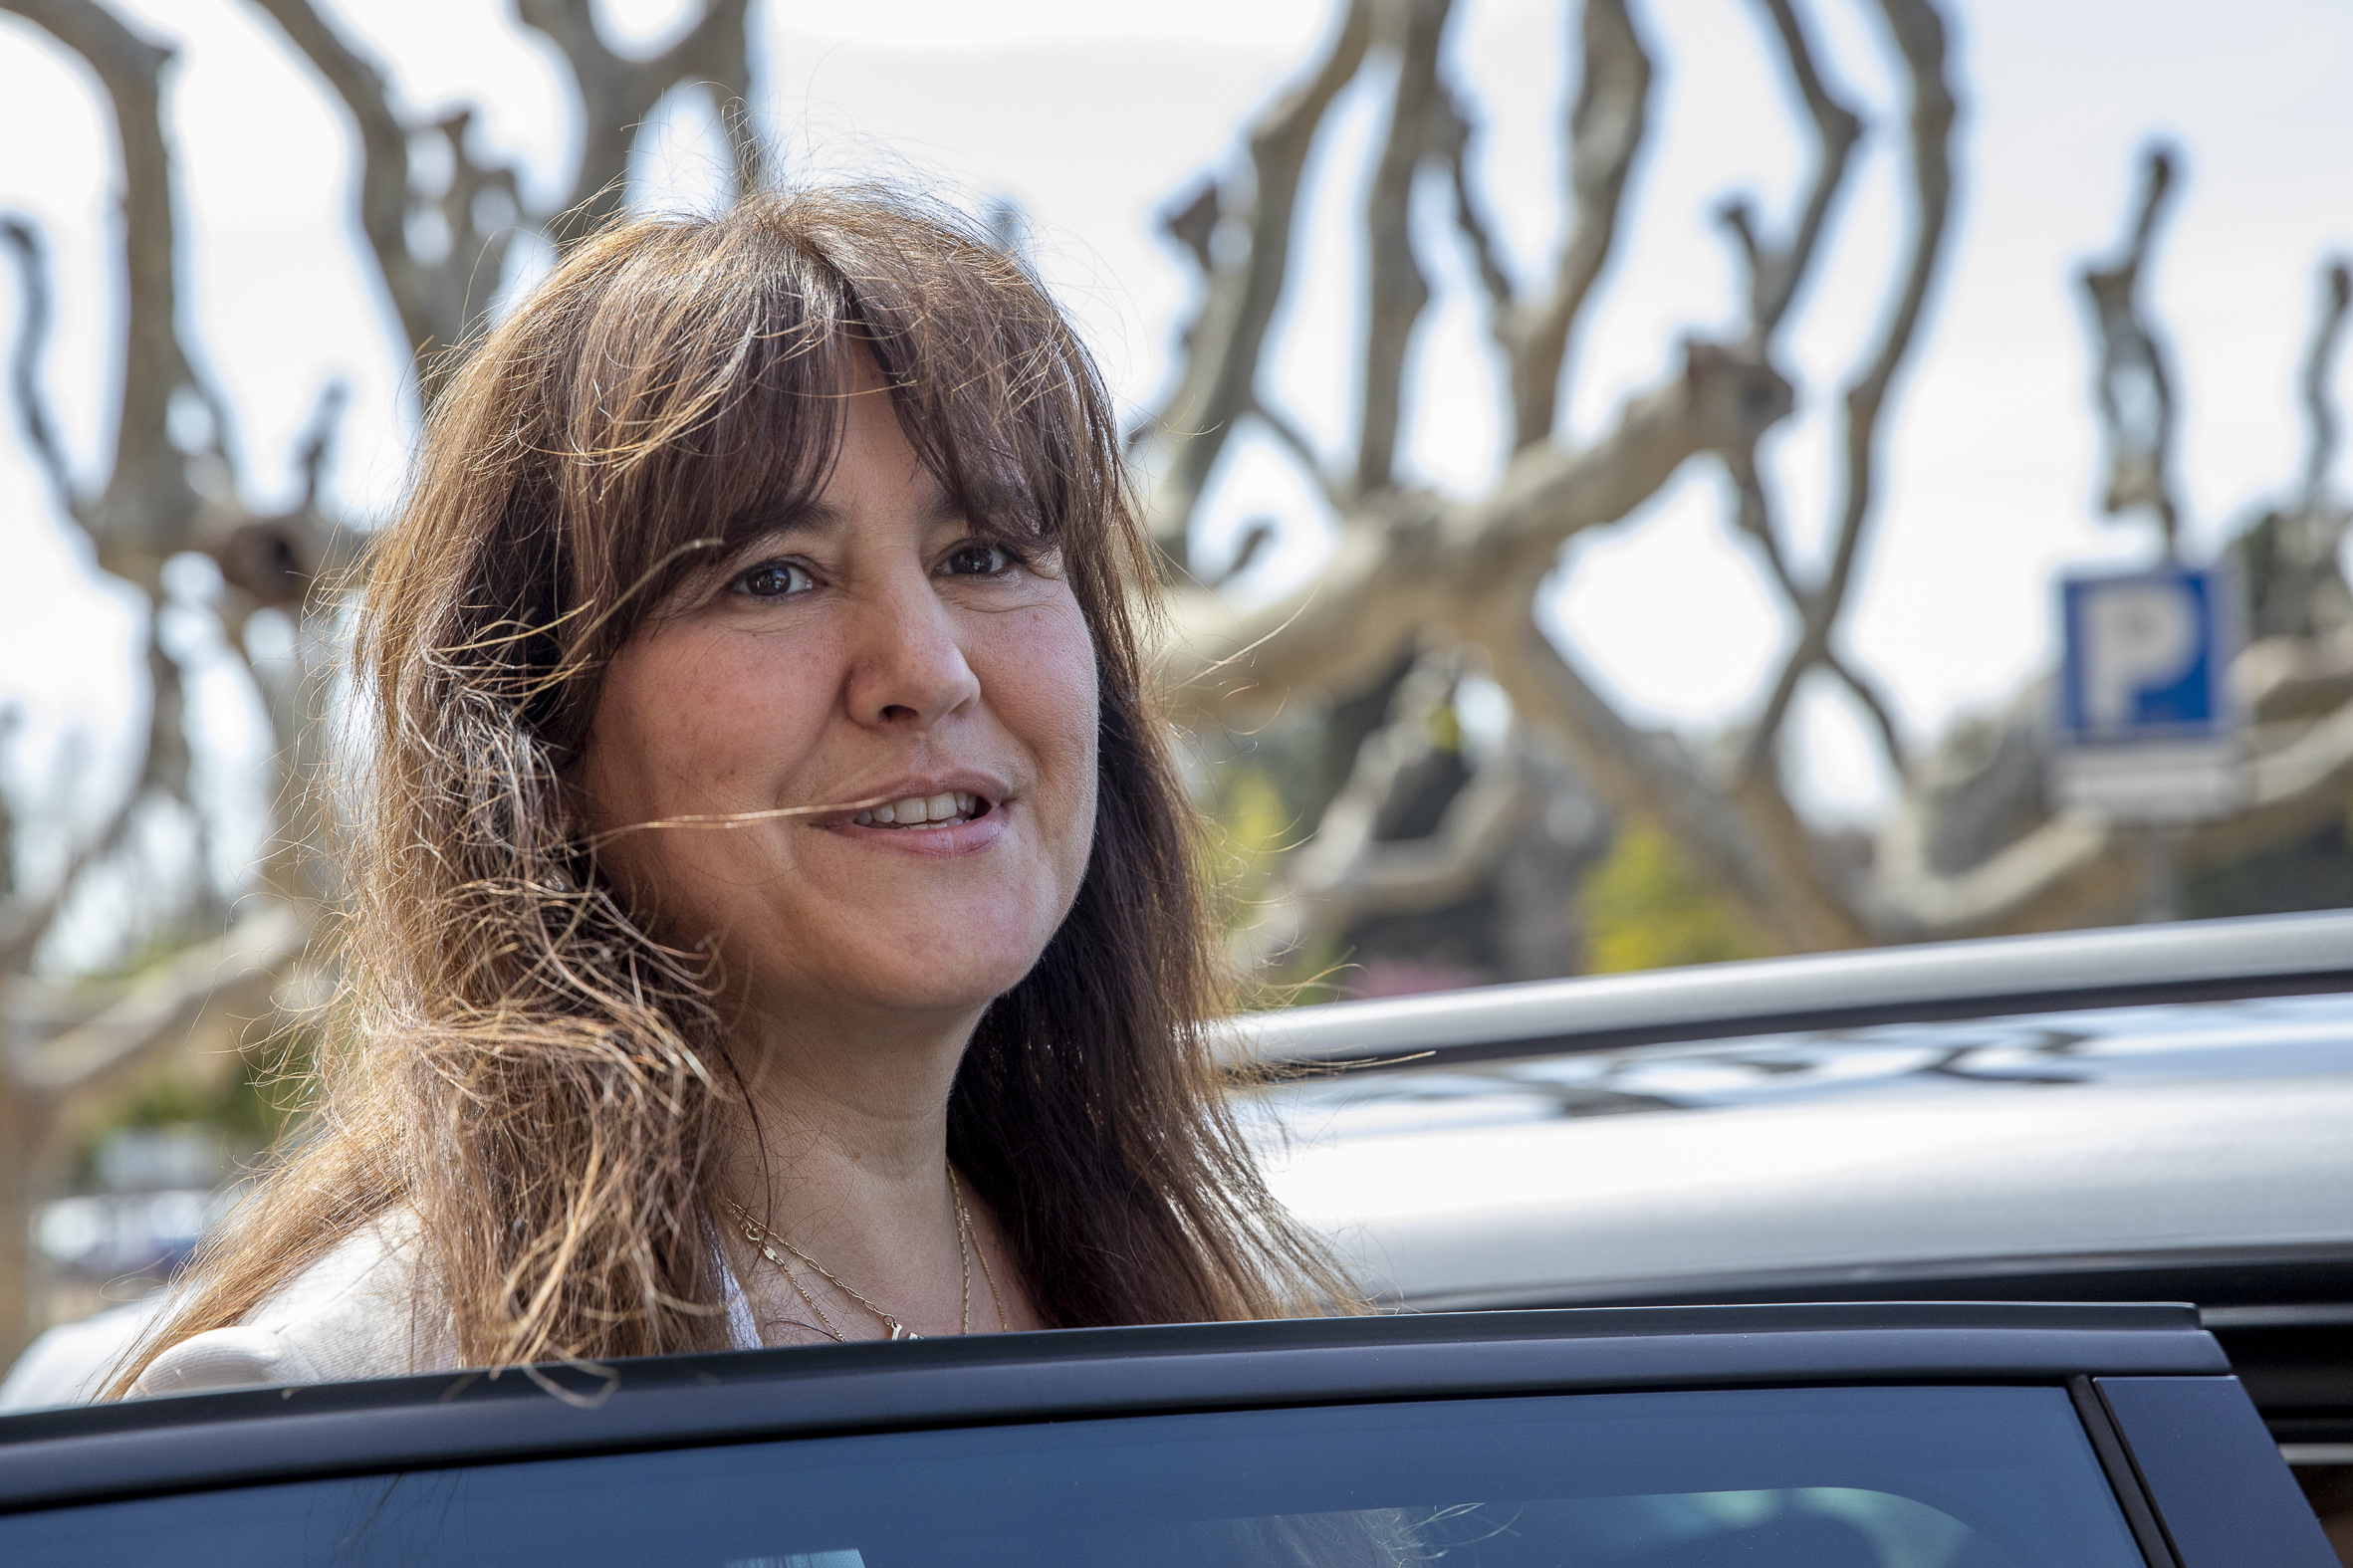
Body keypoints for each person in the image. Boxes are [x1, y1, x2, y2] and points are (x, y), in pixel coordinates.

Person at [105, 187, 1352, 1399]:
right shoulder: (334, 1412)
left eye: (982, 555)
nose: (928, 670)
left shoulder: (1209, 1322)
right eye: (773, 577)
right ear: (536, 745)